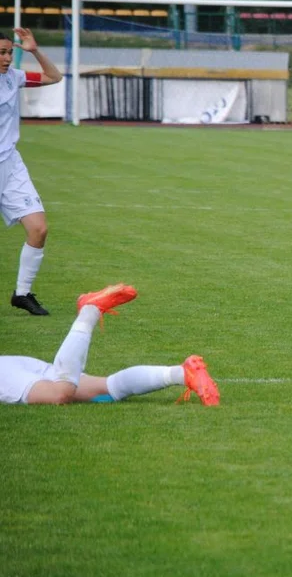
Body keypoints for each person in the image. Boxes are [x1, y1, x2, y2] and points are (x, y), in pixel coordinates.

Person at [0, 283, 220, 405]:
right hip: (11, 364)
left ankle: (89, 311)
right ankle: (183, 373)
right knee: (107, 390)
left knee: (60, 392)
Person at [0, 28, 63, 316]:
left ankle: (22, 294)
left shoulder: (15, 78)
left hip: (11, 165)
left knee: (39, 229)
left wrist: (34, 51)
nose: (7, 58)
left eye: (9, 52)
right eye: (1, 53)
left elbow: (54, 77)